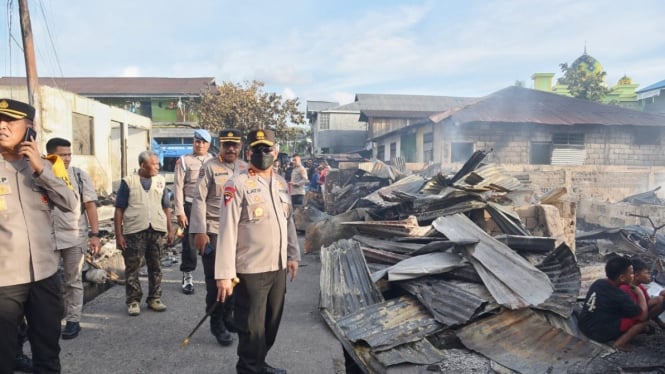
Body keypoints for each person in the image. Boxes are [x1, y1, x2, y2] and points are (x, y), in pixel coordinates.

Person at [0, 98, 78, 373]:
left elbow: (69, 203)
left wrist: (39, 169)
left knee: (47, 351)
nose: (2, 126)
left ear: (29, 128)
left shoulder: (47, 166)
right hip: (5, 281)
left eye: (10, 121)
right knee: (4, 357)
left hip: (44, 276)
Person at [216, 129, 301, 374]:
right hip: (251, 270)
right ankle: (248, 368)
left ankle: (260, 364)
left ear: (275, 151)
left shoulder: (282, 184)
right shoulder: (237, 184)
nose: (263, 154)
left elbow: (289, 222)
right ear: (249, 152)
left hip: (277, 267)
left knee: (270, 325)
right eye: (257, 149)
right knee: (251, 328)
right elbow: (227, 230)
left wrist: (293, 255)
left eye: (267, 149)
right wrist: (224, 274)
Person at [189, 128, 248, 346]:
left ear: (241, 146)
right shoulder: (210, 167)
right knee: (216, 282)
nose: (231, 148)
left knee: (235, 278)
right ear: (220, 146)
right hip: (214, 231)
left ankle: (228, 316)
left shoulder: (245, 168)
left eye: (235, 145)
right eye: (227, 145)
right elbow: (198, 200)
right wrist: (200, 232)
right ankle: (216, 322)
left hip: (238, 233)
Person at [46, 137, 102, 340]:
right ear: (51, 156)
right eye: (62, 155)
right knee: (46, 283)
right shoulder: (40, 174)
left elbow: (90, 206)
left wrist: (95, 235)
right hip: (46, 238)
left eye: (69, 154)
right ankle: (48, 320)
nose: (67, 158)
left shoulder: (78, 176)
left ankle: (73, 320)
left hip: (74, 235)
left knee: (73, 280)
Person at [114, 150, 174, 316]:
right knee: (132, 267)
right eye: (154, 164)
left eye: (157, 163)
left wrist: (170, 229)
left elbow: (166, 207)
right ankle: (133, 300)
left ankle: (154, 298)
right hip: (134, 231)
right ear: (142, 165)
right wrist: (118, 235)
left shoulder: (161, 181)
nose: (158, 166)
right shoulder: (128, 182)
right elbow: (119, 210)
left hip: (156, 230)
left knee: (156, 266)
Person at [577, 256, 648, 351]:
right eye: (631, 273)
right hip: (597, 333)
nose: (633, 276)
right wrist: (640, 294)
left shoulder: (599, 283)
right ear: (622, 278)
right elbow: (642, 316)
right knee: (643, 322)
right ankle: (619, 344)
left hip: (584, 324)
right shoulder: (620, 296)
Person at [173, 128, 213, 295]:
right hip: (190, 206)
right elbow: (178, 187)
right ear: (193, 142)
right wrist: (180, 212)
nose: (200, 145)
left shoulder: (214, 161)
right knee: (189, 244)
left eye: (204, 142)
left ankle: (210, 276)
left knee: (211, 242)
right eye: (197, 141)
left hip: (209, 207)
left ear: (209, 144)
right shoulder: (184, 160)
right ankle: (187, 276)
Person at [620, 258, 665, 328]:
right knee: (660, 300)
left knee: (660, 299)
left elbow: (649, 303)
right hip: (629, 318)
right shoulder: (625, 289)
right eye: (647, 273)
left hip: (639, 313)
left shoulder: (640, 287)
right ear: (637, 276)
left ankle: (647, 322)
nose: (650, 276)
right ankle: (643, 323)